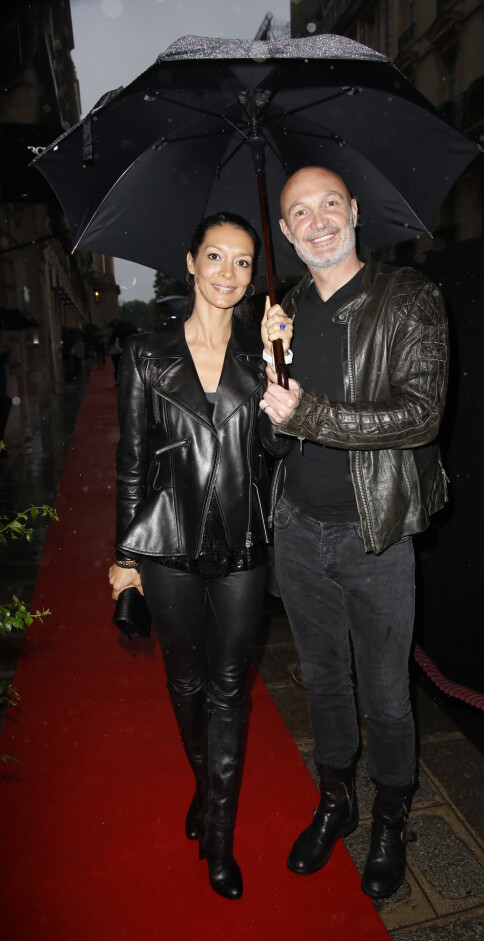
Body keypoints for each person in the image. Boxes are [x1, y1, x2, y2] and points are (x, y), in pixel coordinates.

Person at [260, 166, 449, 899]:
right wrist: (268, 387)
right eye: (297, 212)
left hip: (376, 535)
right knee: (324, 682)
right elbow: (274, 441)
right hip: (298, 531)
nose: (315, 222)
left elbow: (420, 414)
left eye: (327, 205)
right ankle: (336, 798)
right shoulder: (284, 309)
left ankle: (391, 815)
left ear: (355, 212)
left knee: (387, 692)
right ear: (283, 230)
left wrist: (309, 415)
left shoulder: (410, 298)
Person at [108, 212, 293, 901]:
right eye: (215, 256)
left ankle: (219, 833)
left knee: (228, 688)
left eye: (243, 262)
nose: (228, 272)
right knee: (185, 683)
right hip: (170, 541)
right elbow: (130, 463)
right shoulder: (147, 353)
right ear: (190, 262)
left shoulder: (261, 348)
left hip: (244, 539)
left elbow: (277, 453)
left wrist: (283, 368)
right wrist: (125, 556)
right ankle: (208, 785)